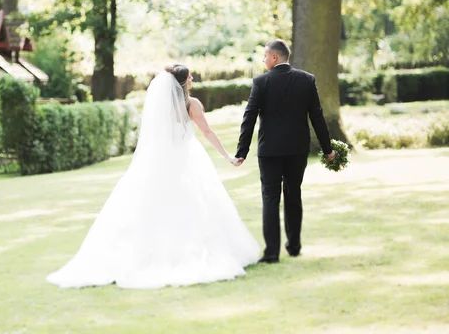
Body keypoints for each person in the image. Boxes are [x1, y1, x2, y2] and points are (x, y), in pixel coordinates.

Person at [46, 64, 259, 289]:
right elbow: (207, 131)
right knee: (194, 203)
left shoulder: (161, 106)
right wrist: (227, 156)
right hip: (186, 159)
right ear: (183, 82)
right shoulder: (192, 104)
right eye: (190, 76)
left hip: (161, 160)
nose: (193, 78)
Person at [234, 39, 336, 263]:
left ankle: (271, 253)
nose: (262, 60)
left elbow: (248, 117)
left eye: (264, 56)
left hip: (269, 151)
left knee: (270, 198)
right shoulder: (307, 80)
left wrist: (242, 151)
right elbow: (317, 116)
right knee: (293, 194)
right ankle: (294, 246)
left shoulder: (261, 82)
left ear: (274, 57)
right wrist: (327, 148)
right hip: (297, 150)